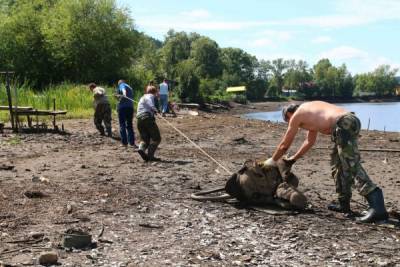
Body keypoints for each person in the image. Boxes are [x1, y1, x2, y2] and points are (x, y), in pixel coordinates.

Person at [264, 101, 388, 223]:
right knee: (338, 165)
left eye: (288, 120)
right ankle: (343, 204)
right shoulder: (309, 112)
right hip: (348, 121)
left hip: (343, 123)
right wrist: (293, 159)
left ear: (289, 114)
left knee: (351, 165)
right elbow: (309, 142)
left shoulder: (297, 115)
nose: (291, 123)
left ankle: (378, 207)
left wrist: (271, 161)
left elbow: (284, 145)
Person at [136, 86, 161, 161]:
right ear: (154, 92)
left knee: (145, 139)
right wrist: (155, 109)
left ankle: (141, 149)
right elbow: (149, 102)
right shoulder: (150, 96)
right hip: (147, 118)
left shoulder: (142, 97)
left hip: (139, 120)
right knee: (156, 138)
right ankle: (150, 156)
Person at [116, 80, 137, 148]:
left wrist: (123, 94)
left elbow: (123, 90)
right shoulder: (130, 87)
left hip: (122, 108)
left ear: (120, 82)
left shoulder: (122, 85)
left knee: (122, 125)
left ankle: (124, 143)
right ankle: (132, 143)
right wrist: (118, 96)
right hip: (130, 108)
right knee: (129, 125)